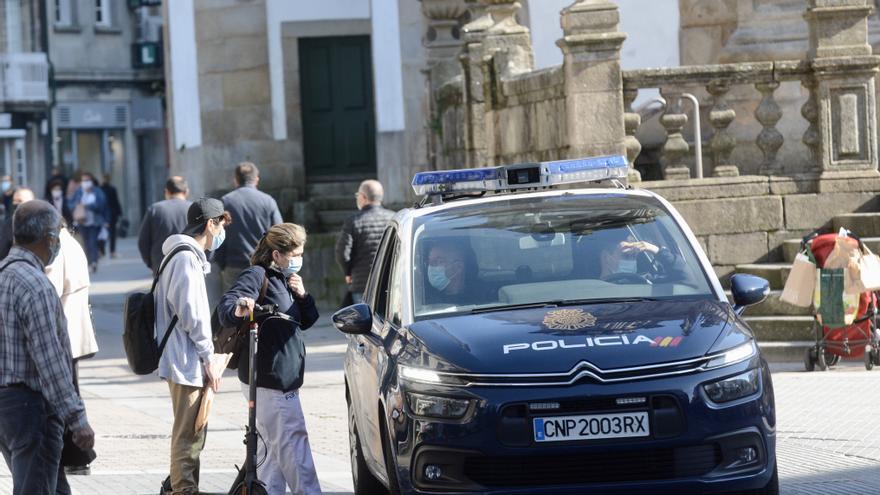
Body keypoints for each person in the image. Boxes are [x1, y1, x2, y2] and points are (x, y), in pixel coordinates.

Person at [218, 223, 322, 495]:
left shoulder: (286, 280)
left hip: (282, 378)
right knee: (292, 445)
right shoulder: (257, 275)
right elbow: (227, 306)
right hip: (269, 380)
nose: (298, 259)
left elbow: (307, 320)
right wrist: (241, 307)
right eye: (294, 254)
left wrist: (302, 295)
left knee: (272, 455)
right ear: (276, 254)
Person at [0, 200, 95, 495]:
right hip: (31, 407)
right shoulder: (36, 286)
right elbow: (51, 362)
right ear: (50, 239)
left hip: (8, 407)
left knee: (51, 485)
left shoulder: (3, 276)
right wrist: (77, 419)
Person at [155, 197, 229, 495]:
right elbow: (193, 314)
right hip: (185, 359)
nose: (222, 233)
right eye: (221, 225)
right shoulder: (186, 257)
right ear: (210, 223)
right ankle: (183, 490)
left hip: (183, 356)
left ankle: (181, 487)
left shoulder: (183, 254)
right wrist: (209, 357)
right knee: (188, 435)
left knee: (192, 432)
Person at [215, 162, 282, 292]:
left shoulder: (225, 201)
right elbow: (280, 234)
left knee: (235, 307)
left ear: (235, 180)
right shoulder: (268, 201)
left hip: (234, 266)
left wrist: (222, 263)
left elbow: (217, 234)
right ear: (257, 179)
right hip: (263, 266)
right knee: (264, 307)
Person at [335, 180, 394, 304]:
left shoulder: (354, 221)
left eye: (358, 195)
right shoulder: (394, 218)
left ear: (363, 197)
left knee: (365, 321)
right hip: (391, 282)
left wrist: (348, 272)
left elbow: (342, 253)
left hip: (363, 285)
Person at [138, 176, 192, 275]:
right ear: (186, 191)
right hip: (190, 265)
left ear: (167, 192)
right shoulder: (194, 209)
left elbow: (143, 241)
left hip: (161, 265)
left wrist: (152, 263)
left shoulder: (155, 209)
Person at [67, 171, 108, 273]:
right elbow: (71, 204)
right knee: (85, 243)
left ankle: (93, 262)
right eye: (84, 180)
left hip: (95, 222)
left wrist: (88, 206)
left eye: (88, 180)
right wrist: (78, 205)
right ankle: (89, 262)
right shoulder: (79, 191)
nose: (86, 182)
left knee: (92, 242)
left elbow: (101, 205)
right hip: (82, 221)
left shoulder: (97, 191)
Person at [0, 187, 36, 259]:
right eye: (14, 200)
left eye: (20, 200)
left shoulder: (42, 222)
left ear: (31, 202)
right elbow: (3, 249)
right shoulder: (10, 223)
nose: (15, 203)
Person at [99, 173, 123, 259]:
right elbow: (116, 202)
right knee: (112, 234)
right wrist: (119, 212)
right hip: (112, 214)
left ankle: (102, 251)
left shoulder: (100, 189)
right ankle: (112, 251)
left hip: (103, 214)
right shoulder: (112, 189)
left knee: (102, 233)